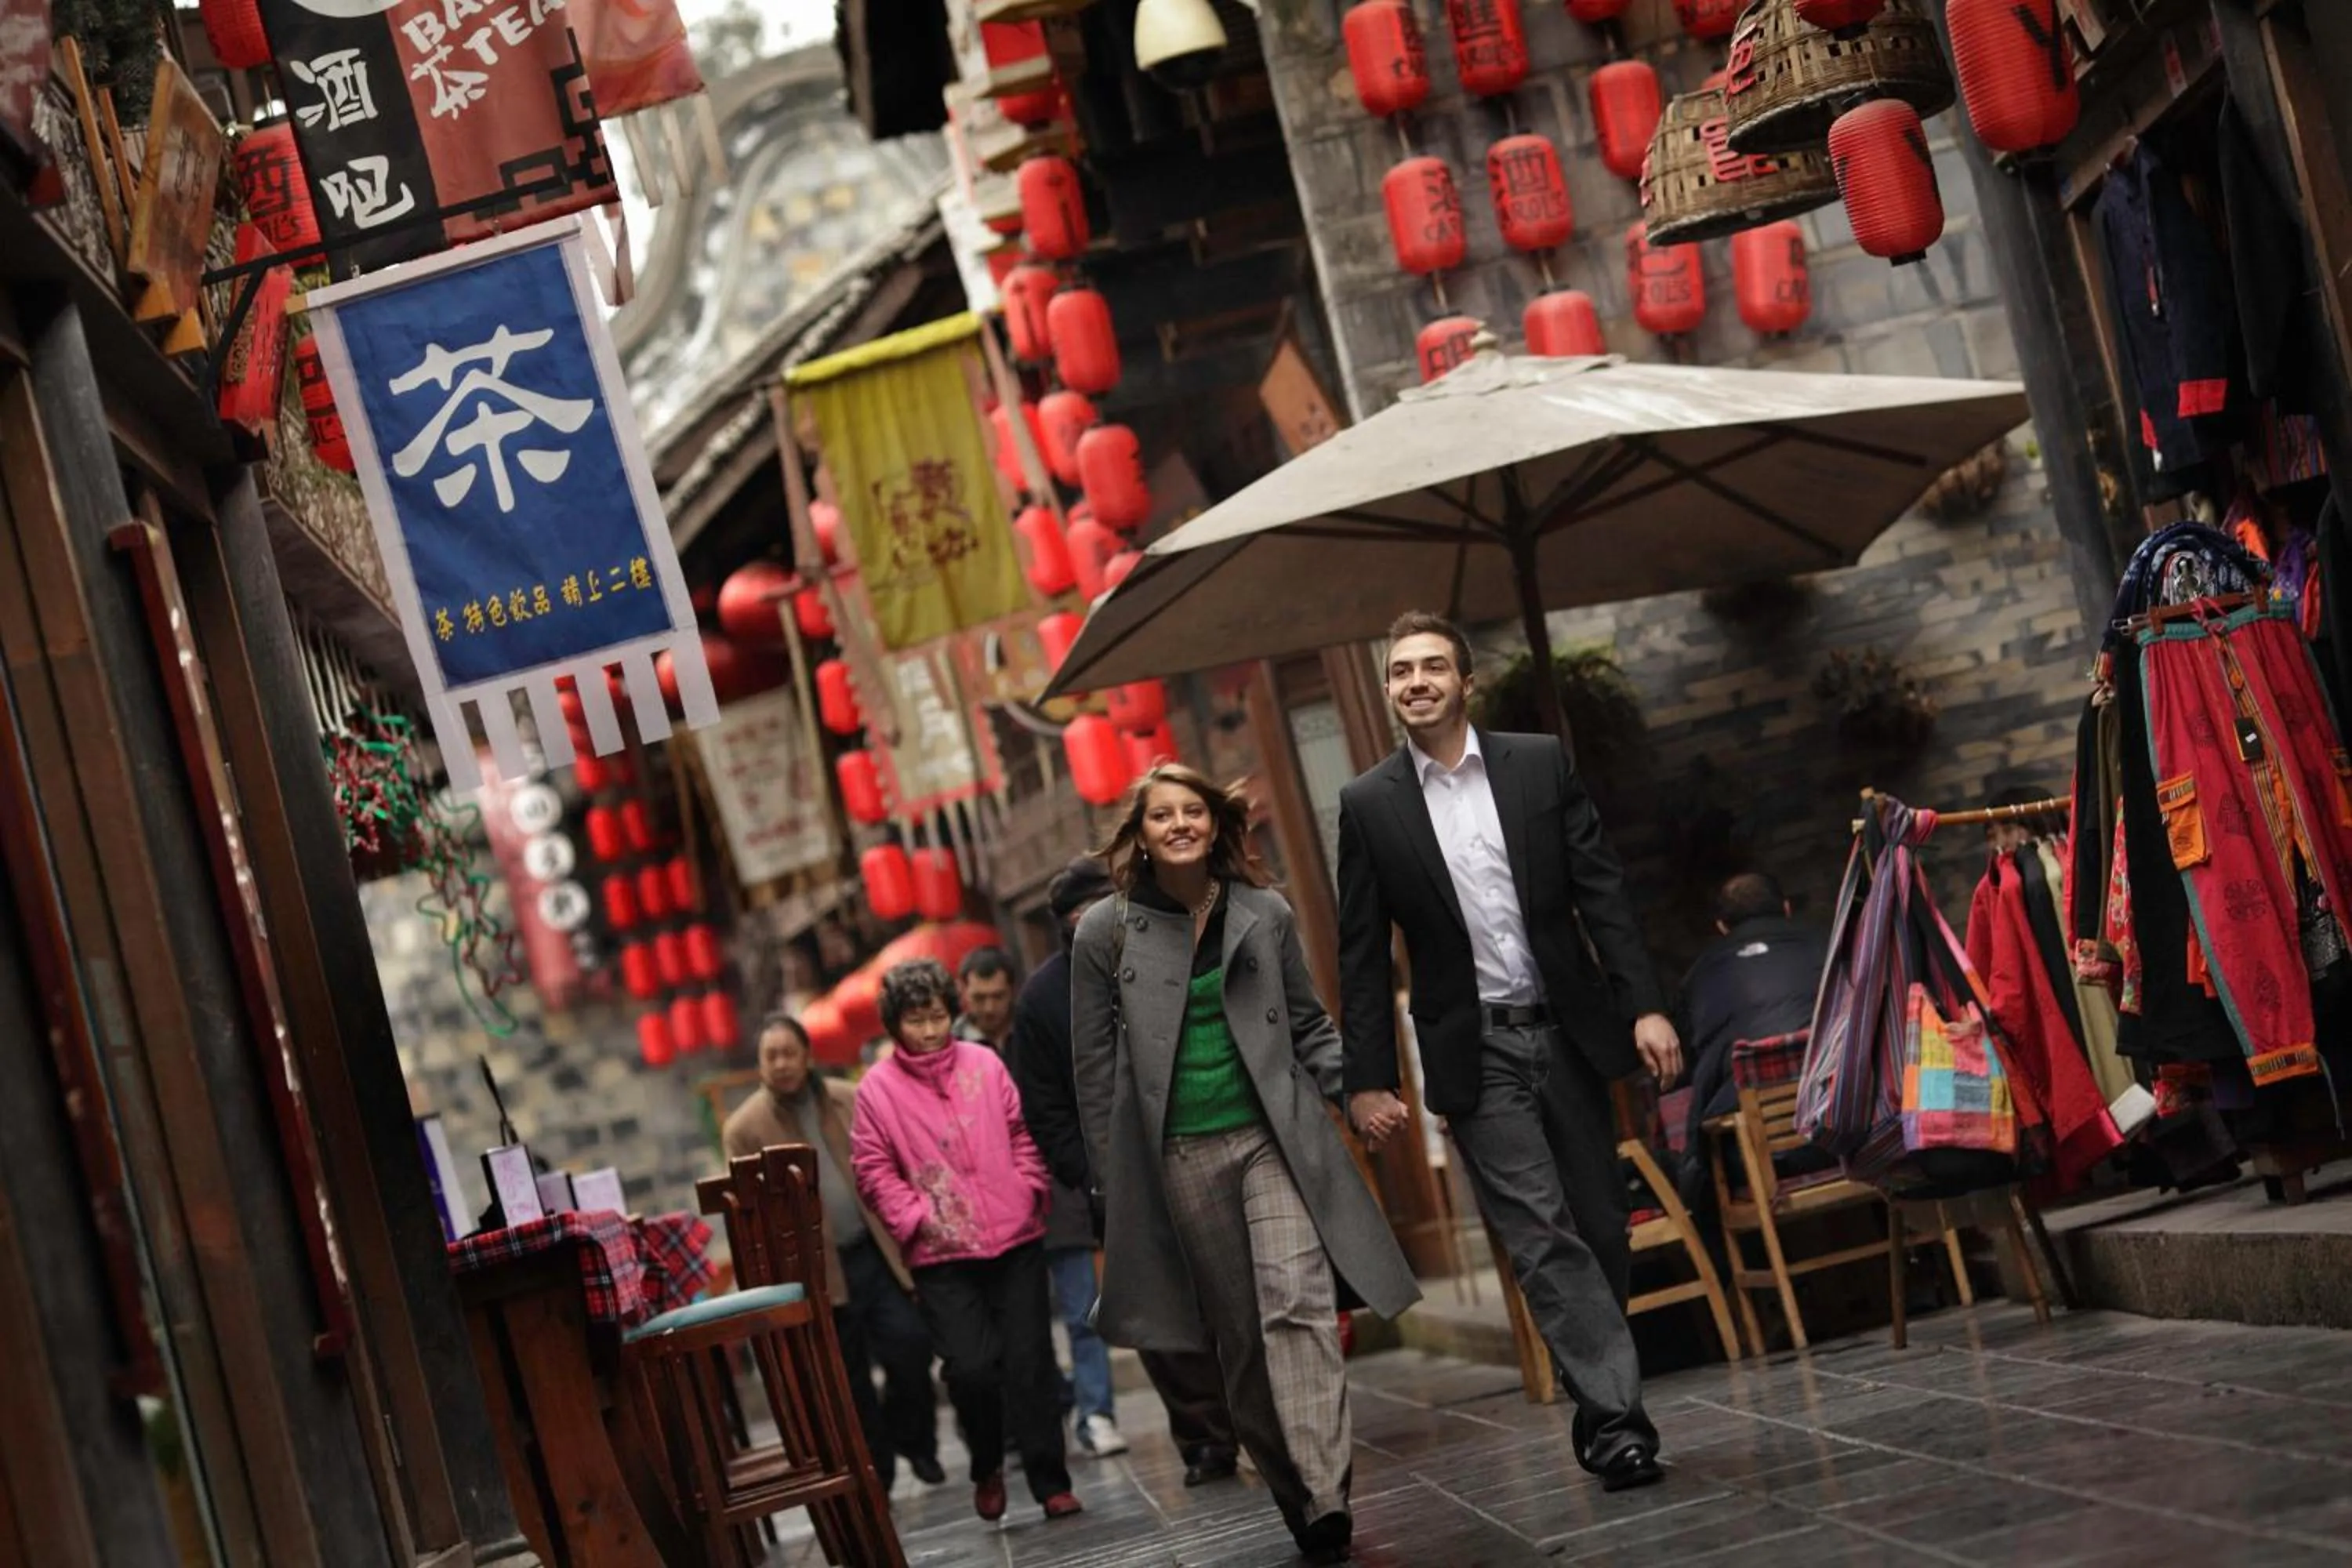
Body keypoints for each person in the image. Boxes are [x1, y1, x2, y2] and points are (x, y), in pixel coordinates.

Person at [1336, 612, 1679, 1494]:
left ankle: (1594, 1380)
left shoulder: (1537, 762)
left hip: (1565, 1028)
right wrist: (1369, 1076)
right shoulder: (1368, 804)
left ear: (1466, 679)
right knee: (1540, 1233)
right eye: (1400, 670)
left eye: (1432, 667)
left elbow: (1601, 890)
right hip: (1473, 1047)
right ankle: (1618, 1422)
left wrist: (1641, 1003)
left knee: (1600, 1222)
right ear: (1388, 690)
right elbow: (1362, 952)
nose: (1416, 681)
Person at [1072, 765, 1420, 1565]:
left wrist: (1358, 1090)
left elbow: (1306, 1023)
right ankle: (1297, 1492)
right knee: (1241, 1337)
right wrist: (1114, 1176)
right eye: (1163, 814)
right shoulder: (1106, 930)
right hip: (1180, 1153)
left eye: (1194, 809)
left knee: (1295, 1299)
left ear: (1216, 822)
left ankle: (1328, 1488)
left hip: (1271, 1136)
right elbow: (1093, 1067)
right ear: (1142, 832)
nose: (1181, 823)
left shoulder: (1264, 913)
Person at [1010, 856, 1239, 1475]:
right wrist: (1090, 1170)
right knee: (1158, 1314)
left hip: (1202, 1137)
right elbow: (1044, 1106)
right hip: (1115, 1174)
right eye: (1076, 916)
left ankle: (1253, 1414)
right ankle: (1204, 1437)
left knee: (1229, 1288)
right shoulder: (1042, 999)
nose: (1090, 922)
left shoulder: (1169, 949)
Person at [850, 960, 1081, 1524]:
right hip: (942, 1253)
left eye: (937, 1017)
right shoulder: (877, 1090)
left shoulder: (984, 1063)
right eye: (915, 1020)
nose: (930, 1031)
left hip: (1015, 1236)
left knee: (1031, 1364)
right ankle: (986, 1464)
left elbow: (1021, 1133)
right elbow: (872, 1169)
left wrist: (1029, 1187)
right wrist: (916, 1217)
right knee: (973, 1369)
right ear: (894, 1024)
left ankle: (1051, 1480)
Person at [720, 1014, 943, 1490]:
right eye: (770, 1056)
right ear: (759, 1065)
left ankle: (915, 1438)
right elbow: (749, 1218)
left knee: (911, 1345)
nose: (781, 1064)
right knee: (850, 1381)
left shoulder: (850, 1098)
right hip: (818, 1274)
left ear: (807, 1056)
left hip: (873, 1253)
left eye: (788, 1053)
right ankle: (877, 1471)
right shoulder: (744, 1129)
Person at [1673, 873, 1833, 1219]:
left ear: (1721, 927)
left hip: (1752, 1160)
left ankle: (1761, 1270)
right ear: (1787, 909)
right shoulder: (1830, 946)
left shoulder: (1698, 979)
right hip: (1841, 1133)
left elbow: (1695, 1070)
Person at [955, 947, 1019, 1054]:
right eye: (979, 998)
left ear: (1012, 991)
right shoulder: (953, 1044)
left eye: (998, 997)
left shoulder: (1032, 1031)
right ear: (962, 991)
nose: (989, 1008)